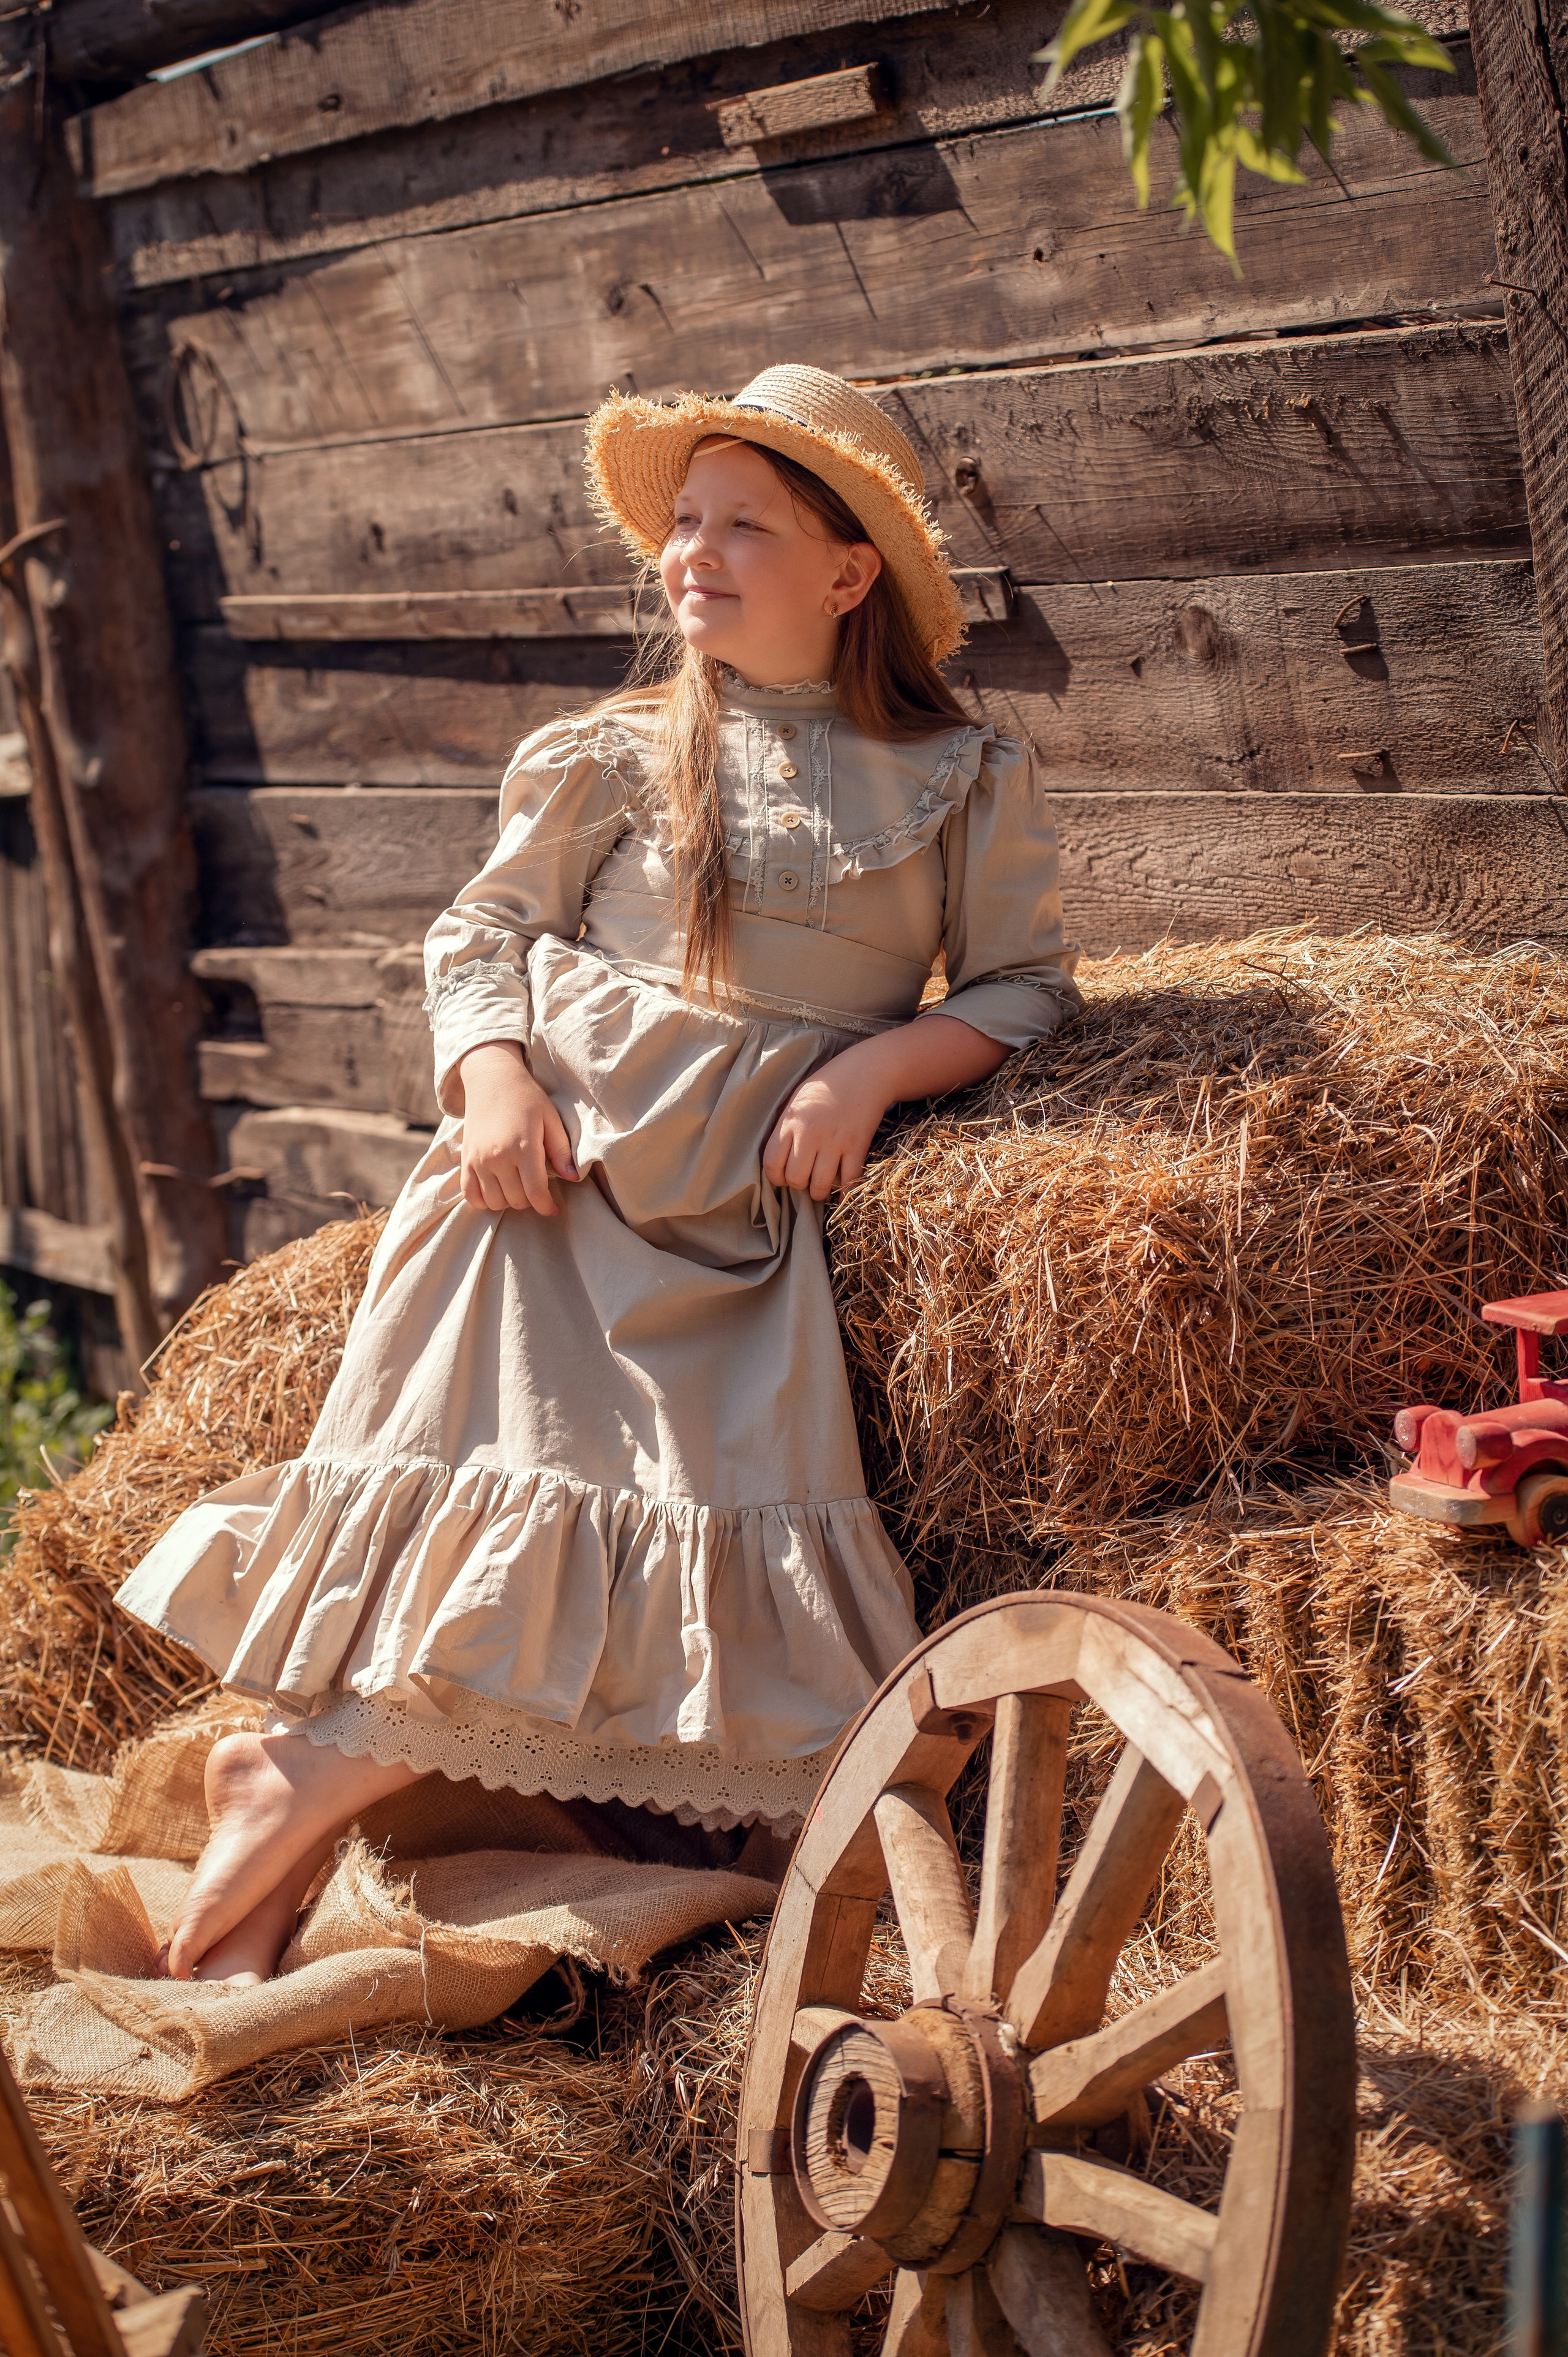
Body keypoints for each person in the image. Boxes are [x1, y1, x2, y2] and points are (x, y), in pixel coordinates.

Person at [116, 364, 1082, 1986]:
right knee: (492, 1545)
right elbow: (482, 932)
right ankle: (295, 1779)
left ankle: (319, 1792)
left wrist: (869, 1064)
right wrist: (491, 1076)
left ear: (850, 575)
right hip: (547, 1202)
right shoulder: (615, 752)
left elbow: (1020, 989)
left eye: (742, 527)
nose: (689, 554)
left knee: (723, 1574)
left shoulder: (961, 779)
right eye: (682, 522)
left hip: (733, 1237)